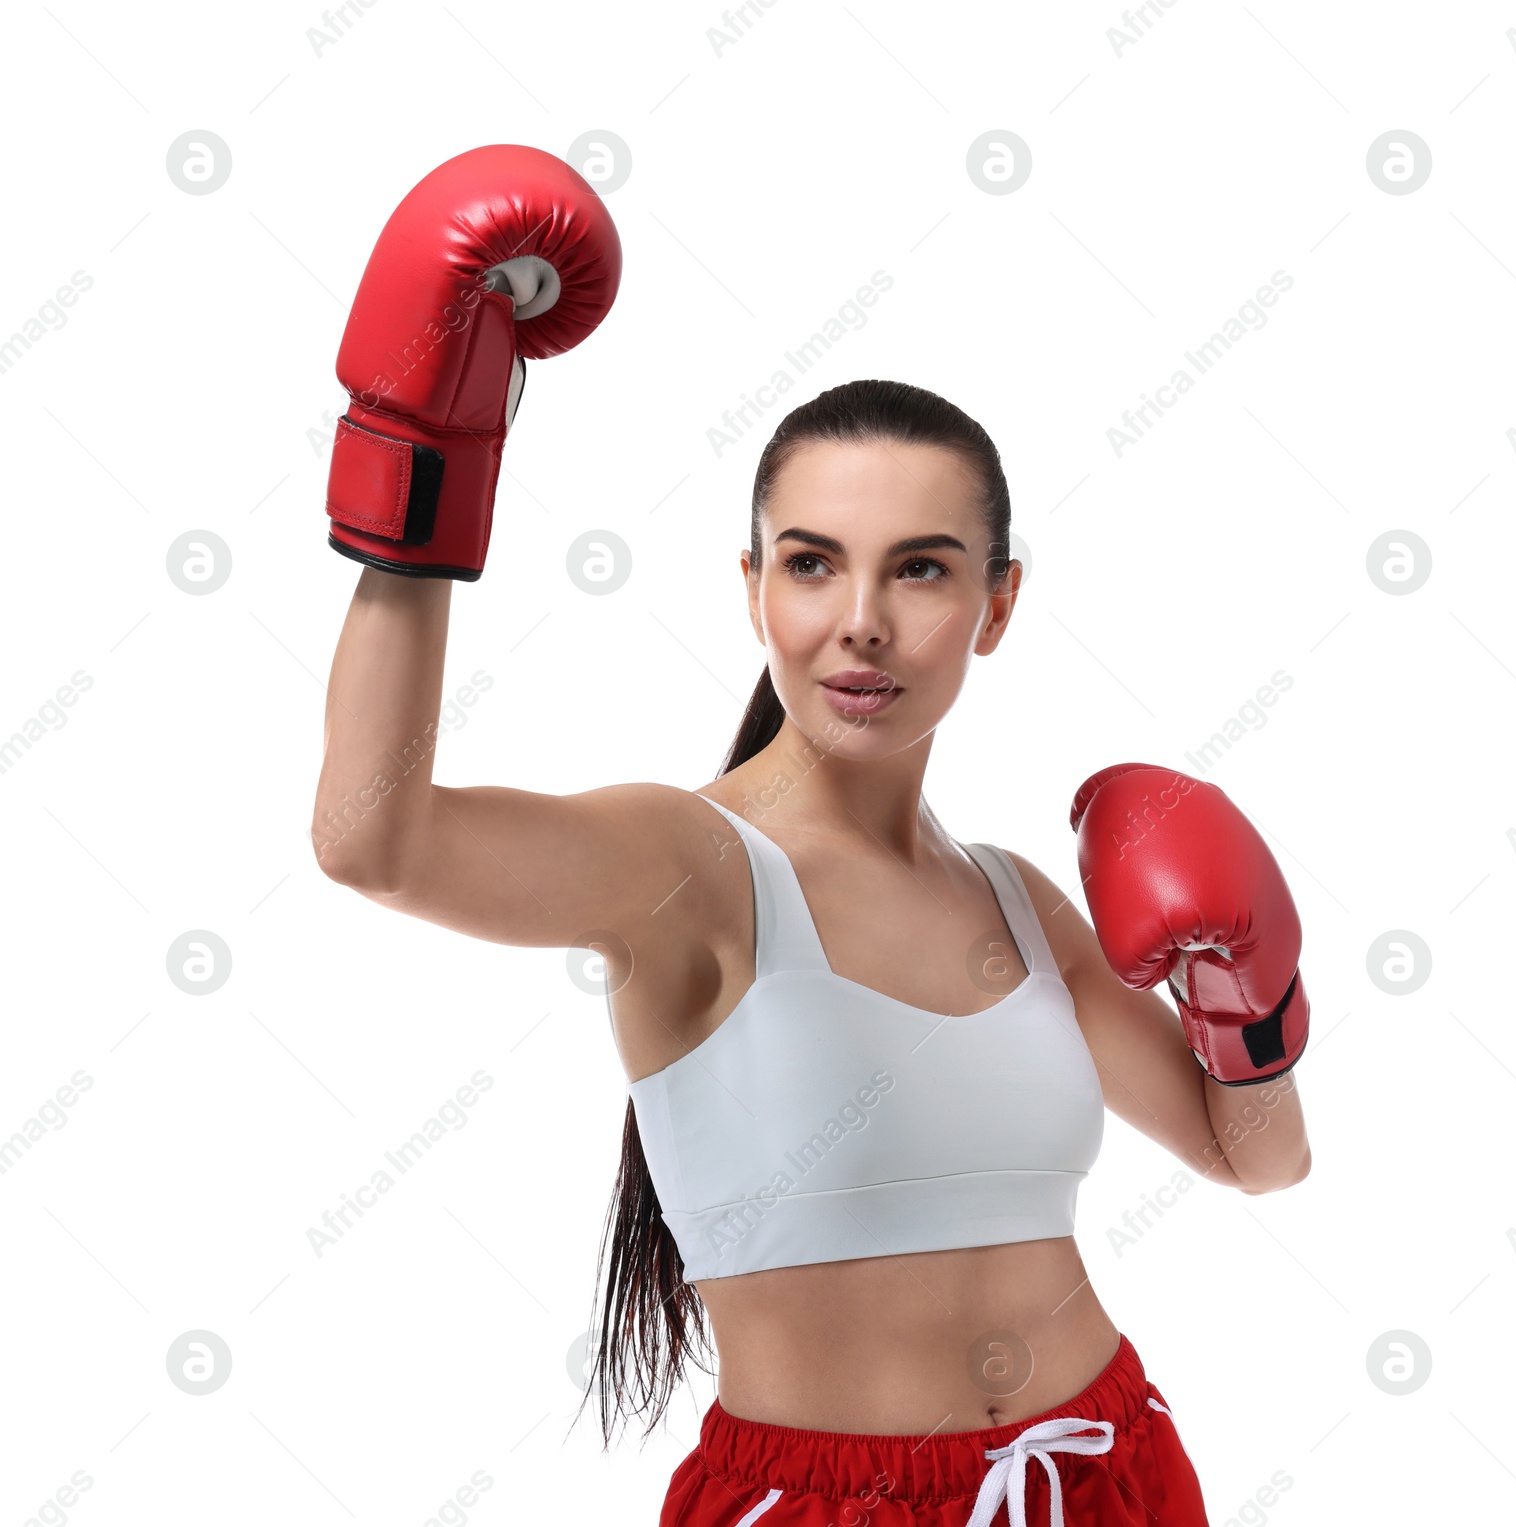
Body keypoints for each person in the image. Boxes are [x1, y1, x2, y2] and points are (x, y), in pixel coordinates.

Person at [314, 150, 1312, 1527]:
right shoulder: (690, 868)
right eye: (810, 561)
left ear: (997, 604)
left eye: (920, 568)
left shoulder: (1017, 902)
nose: (860, 621)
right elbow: (377, 843)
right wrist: (421, 474)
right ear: (752, 589)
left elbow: (1255, 1154)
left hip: (1107, 1472)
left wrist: (1245, 1002)